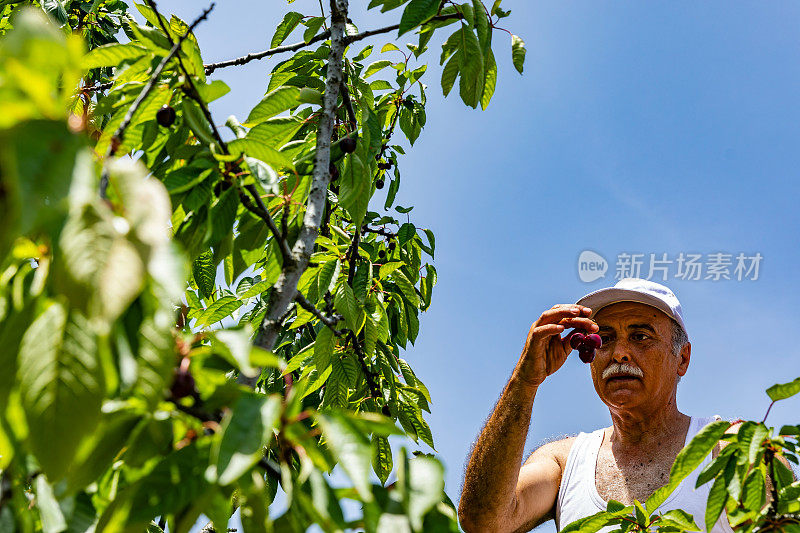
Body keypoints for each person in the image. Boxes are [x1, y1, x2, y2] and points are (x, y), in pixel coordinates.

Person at [458, 278, 793, 533]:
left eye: (640, 336)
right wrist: (524, 382)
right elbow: (483, 522)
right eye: (604, 338)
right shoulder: (565, 463)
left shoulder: (734, 447)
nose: (619, 353)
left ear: (683, 359)